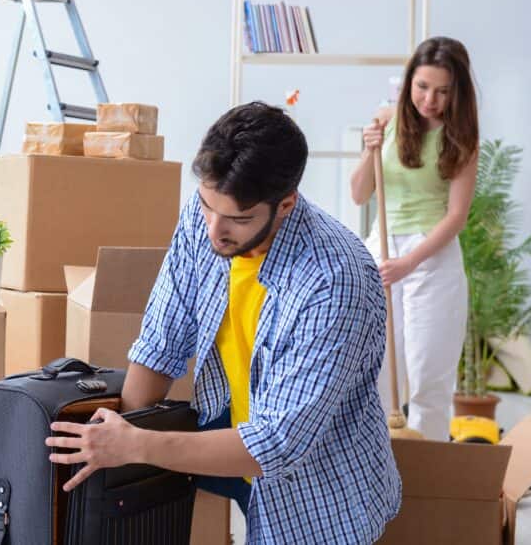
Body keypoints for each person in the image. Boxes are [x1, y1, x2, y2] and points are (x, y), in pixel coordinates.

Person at [46, 102, 401, 543]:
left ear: (285, 204)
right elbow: (162, 339)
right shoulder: (205, 217)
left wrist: (136, 444)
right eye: (207, 206)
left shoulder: (334, 279)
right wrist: (116, 461)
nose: (214, 230)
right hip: (225, 439)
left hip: (314, 494)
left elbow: (277, 444)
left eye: (237, 218)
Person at [349, 36, 479, 441]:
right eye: (422, 87)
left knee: (428, 376)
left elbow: (457, 215)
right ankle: (376, 472)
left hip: (431, 257)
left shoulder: (462, 137)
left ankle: (429, 481)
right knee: (377, 373)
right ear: (408, 83)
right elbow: (358, 193)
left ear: (456, 91)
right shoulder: (386, 122)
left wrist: (411, 262)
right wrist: (367, 150)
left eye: (442, 91)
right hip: (381, 250)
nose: (430, 99)